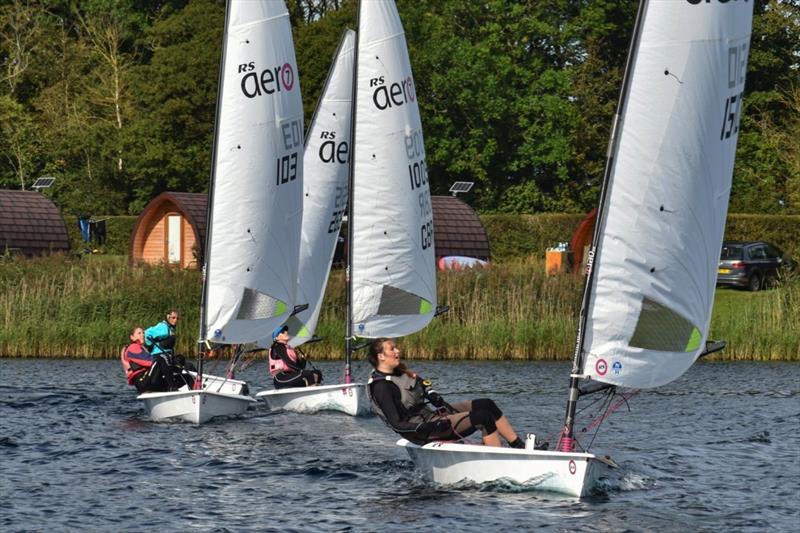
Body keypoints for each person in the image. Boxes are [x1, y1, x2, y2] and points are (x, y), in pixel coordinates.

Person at [367, 338, 543, 449]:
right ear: (381, 356)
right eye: (392, 349)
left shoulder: (401, 373)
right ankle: (497, 460)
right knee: (483, 417)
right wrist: (425, 427)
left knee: (486, 404)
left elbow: (425, 387)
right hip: (423, 431)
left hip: (431, 418)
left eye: (396, 347)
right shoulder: (381, 387)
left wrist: (433, 395)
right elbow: (396, 424)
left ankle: (517, 446)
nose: (397, 351)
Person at [121, 326, 170, 393]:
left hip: (148, 379)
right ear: (132, 337)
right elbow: (149, 361)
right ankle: (172, 387)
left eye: (143, 333)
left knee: (178, 360)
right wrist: (166, 359)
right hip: (142, 382)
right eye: (139, 333)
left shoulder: (141, 348)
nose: (143, 335)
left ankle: (172, 387)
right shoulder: (132, 348)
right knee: (160, 359)